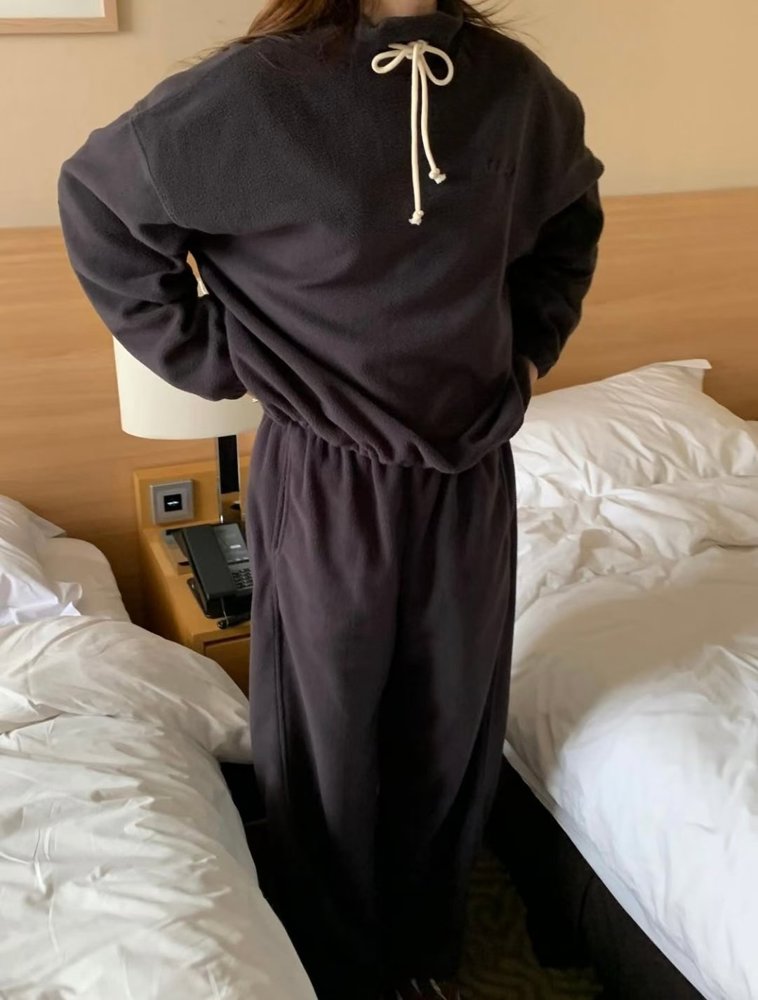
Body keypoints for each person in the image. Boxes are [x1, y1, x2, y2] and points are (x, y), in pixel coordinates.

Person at [58, 0, 603, 996]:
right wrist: (221, 359)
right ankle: (340, 959)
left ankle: (428, 944)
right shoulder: (260, 90)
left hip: (470, 461)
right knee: (330, 721)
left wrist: (526, 348)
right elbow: (100, 205)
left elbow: (570, 220)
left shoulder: (513, 89)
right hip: (328, 469)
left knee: (451, 711)